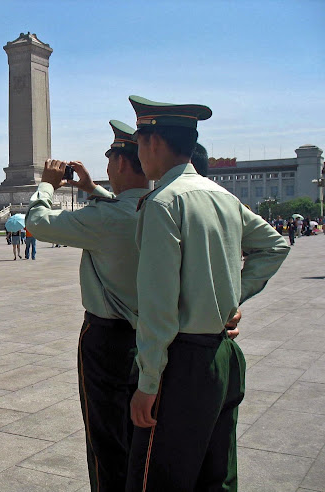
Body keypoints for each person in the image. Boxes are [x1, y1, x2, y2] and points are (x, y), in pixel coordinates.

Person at [126, 95, 290, 491]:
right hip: (222, 359)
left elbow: (158, 306)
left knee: (158, 479)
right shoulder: (223, 196)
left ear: (154, 142)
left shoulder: (164, 203)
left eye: (138, 144)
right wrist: (233, 297)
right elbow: (275, 246)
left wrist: (148, 383)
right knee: (215, 477)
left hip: (179, 365)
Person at [27, 120, 150, 490]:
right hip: (157, 339)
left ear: (122, 164)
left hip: (109, 343)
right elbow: (121, 210)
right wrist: (91, 188)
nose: (108, 165)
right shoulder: (157, 207)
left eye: (111, 158)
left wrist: (48, 184)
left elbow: (37, 222)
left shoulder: (104, 219)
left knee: (107, 440)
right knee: (143, 438)